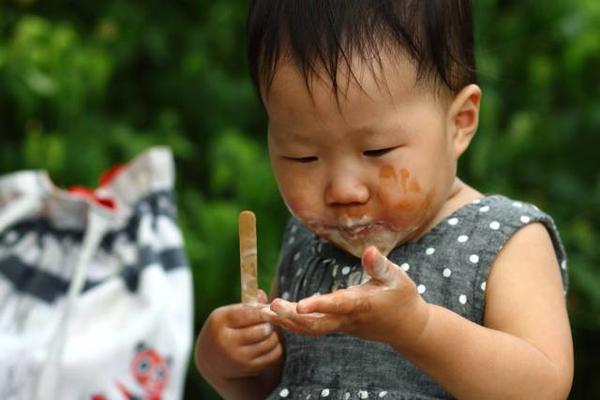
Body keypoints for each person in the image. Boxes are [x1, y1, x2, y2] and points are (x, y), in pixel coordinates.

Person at [195, 1, 574, 398]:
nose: (343, 191)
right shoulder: (306, 243)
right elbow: (276, 388)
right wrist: (229, 364)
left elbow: (542, 387)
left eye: (376, 151)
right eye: (302, 157)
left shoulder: (505, 239)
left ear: (459, 122)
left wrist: (418, 328)